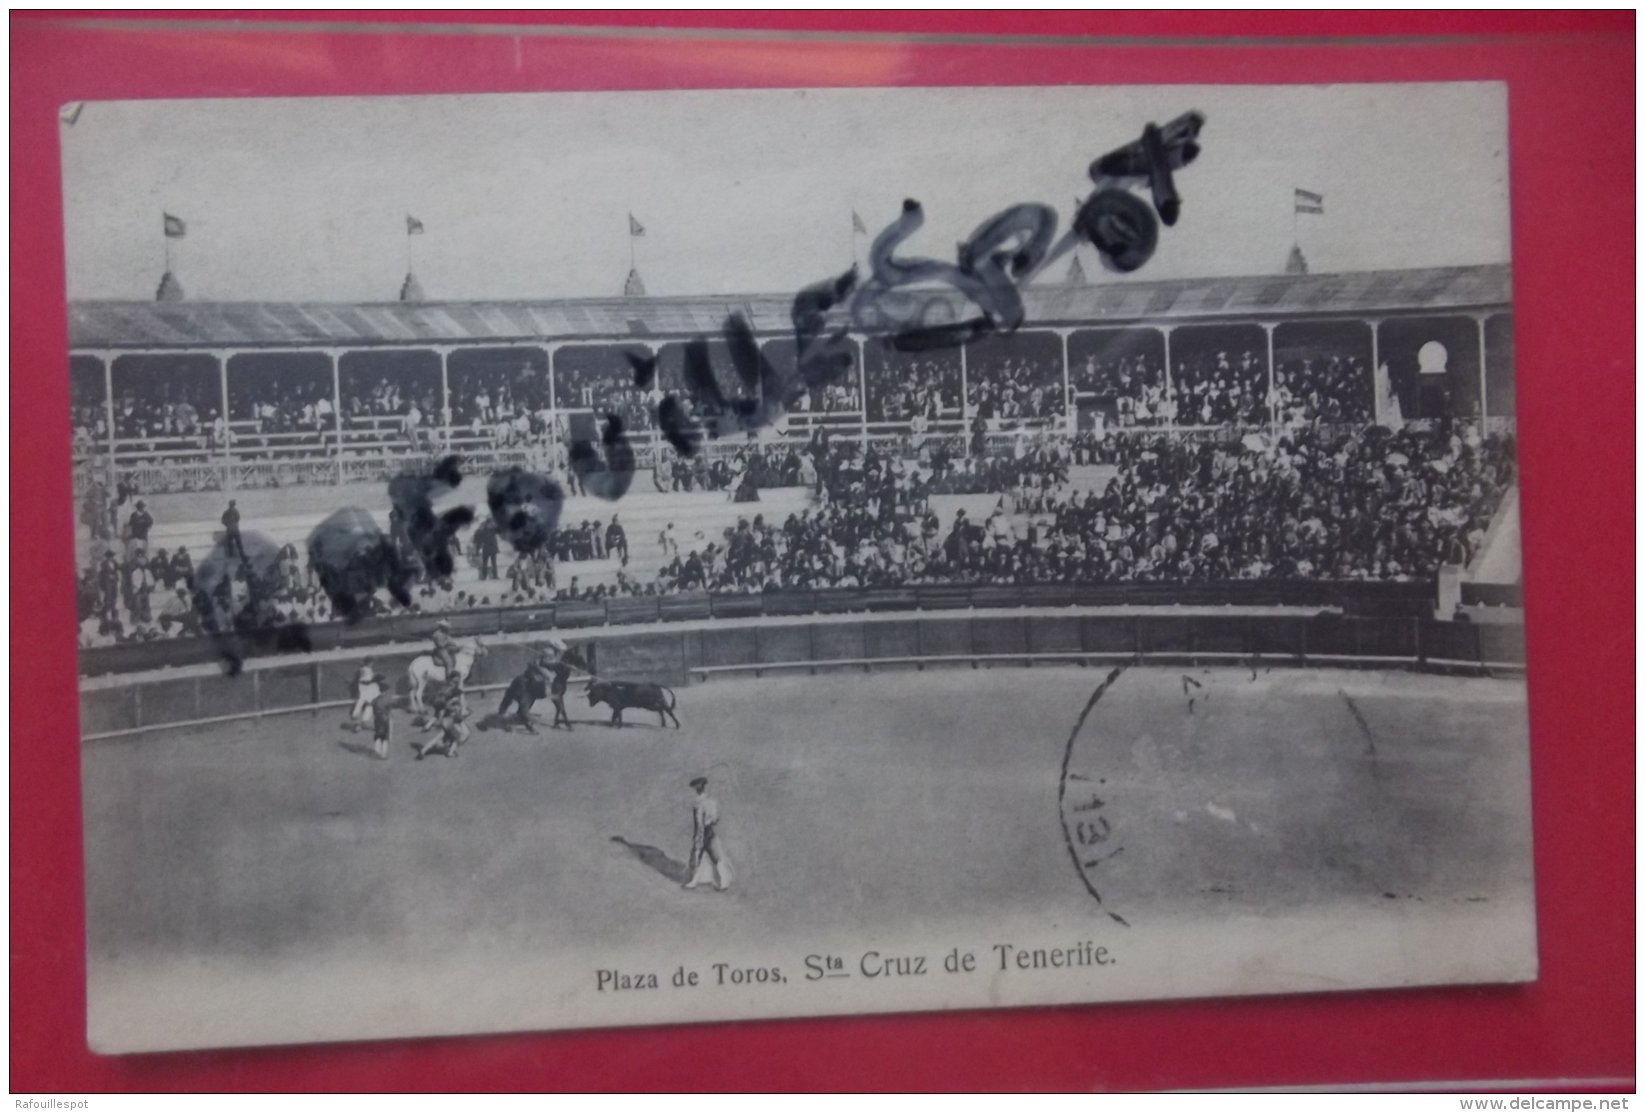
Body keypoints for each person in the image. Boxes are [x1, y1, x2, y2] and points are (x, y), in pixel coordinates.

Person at [684, 776, 732, 892]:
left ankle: (694, 882)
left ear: (697, 788)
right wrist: (709, 821)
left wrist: (698, 838)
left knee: (698, 857)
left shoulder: (698, 803)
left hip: (702, 833)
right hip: (710, 831)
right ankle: (723, 883)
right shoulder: (712, 801)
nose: (696, 789)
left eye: (696, 787)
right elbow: (716, 818)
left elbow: (699, 823)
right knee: (716, 857)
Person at [350, 659, 383, 730]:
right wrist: (374, 679)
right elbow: (364, 681)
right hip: (366, 690)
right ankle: (361, 720)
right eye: (371, 663)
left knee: (365, 703)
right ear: (369, 663)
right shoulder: (364, 670)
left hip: (367, 690)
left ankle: (358, 719)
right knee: (367, 704)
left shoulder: (367, 669)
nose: (372, 664)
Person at [369, 687, 393, 760]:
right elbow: (389, 712)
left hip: (377, 719)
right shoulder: (388, 700)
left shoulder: (374, 700)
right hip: (385, 719)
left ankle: (377, 750)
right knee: (385, 737)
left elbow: (373, 711)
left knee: (377, 735)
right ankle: (383, 754)